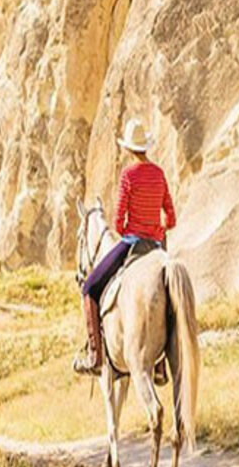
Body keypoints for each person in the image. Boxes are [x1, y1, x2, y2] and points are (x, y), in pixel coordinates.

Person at [73, 118, 177, 378]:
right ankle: (161, 363)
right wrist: (157, 230)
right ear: (146, 147)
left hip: (132, 243)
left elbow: (119, 223)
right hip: (155, 246)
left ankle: (95, 356)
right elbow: (171, 218)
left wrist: (135, 227)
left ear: (129, 149)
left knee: (89, 288)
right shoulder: (159, 174)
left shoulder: (128, 175)